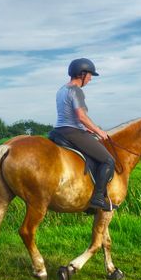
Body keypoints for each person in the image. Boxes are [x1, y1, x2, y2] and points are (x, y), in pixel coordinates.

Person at [53, 58, 117, 211]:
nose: (90, 79)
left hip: (58, 131)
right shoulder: (76, 91)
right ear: (81, 74)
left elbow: (70, 116)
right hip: (72, 132)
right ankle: (98, 198)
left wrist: (86, 128)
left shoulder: (61, 89)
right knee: (108, 160)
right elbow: (81, 116)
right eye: (89, 75)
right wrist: (98, 131)